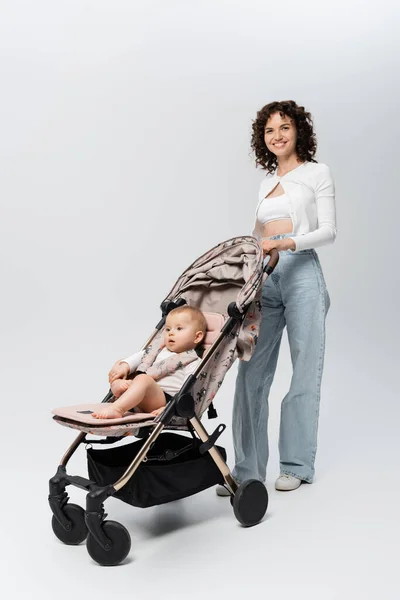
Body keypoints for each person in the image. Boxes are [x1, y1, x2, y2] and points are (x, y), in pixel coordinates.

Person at [217, 100, 336, 494]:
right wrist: (245, 270)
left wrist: (288, 241)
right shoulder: (265, 183)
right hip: (266, 279)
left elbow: (329, 231)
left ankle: (297, 464)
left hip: (303, 272)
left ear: (299, 130)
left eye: (284, 127)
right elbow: (255, 235)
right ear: (262, 138)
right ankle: (246, 469)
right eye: (269, 130)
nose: (277, 136)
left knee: (305, 371)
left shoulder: (317, 173)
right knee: (250, 373)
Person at [93, 306, 206, 419]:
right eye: (167, 329)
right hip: (138, 395)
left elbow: (190, 388)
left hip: (162, 401)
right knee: (120, 371)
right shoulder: (159, 349)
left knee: (143, 379)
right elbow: (139, 358)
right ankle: (120, 391)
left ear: (197, 337)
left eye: (179, 329)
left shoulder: (193, 361)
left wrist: (170, 407)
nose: (171, 333)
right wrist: (124, 366)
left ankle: (117, 409)